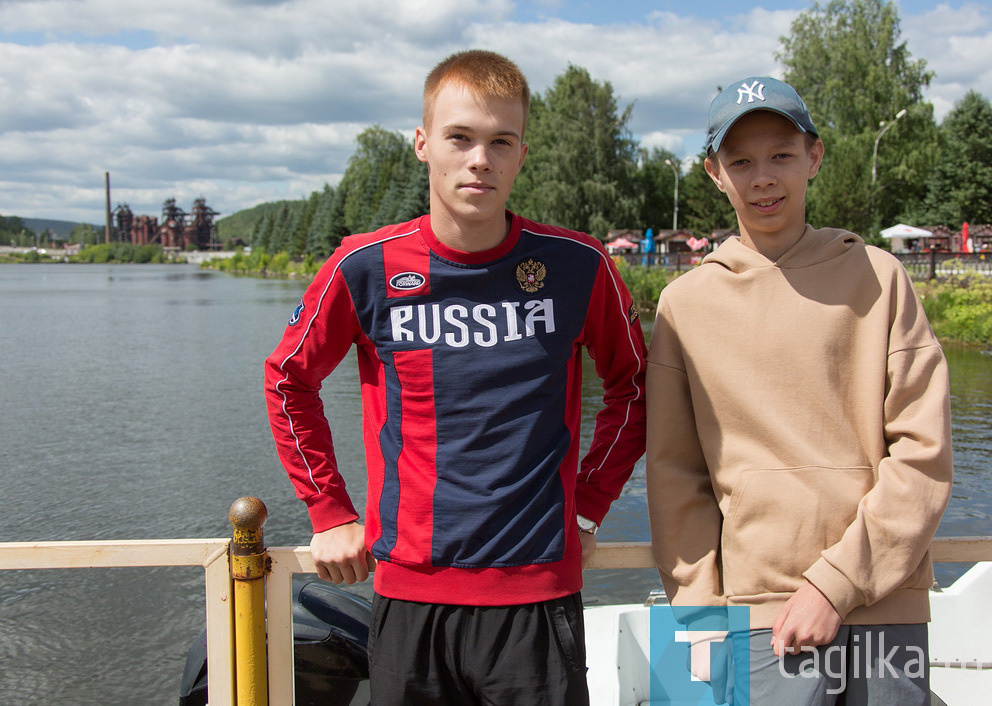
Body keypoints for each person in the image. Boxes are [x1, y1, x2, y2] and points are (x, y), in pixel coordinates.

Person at [265, 49, 647, 705]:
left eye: (501, 141)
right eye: (460, 137)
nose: (480, 159)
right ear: (424, 144)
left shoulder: (577, 266)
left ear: (522, 154)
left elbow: (634, 387)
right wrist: (328, 510)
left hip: (537, 596)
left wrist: (587, 505)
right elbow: (287, 380)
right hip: (412, 594)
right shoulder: (365, 266)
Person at [646, 76, 953, 705]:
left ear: (814, 157)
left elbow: (923, 453)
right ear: (714, 172)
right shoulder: (684, 306)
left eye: (781, 155)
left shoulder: (880, 277)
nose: (763, 177)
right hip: (760, 615)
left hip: (885, 602)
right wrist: (699, 610)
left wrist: (837, 582)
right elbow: (676, 475)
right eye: (742, 161)